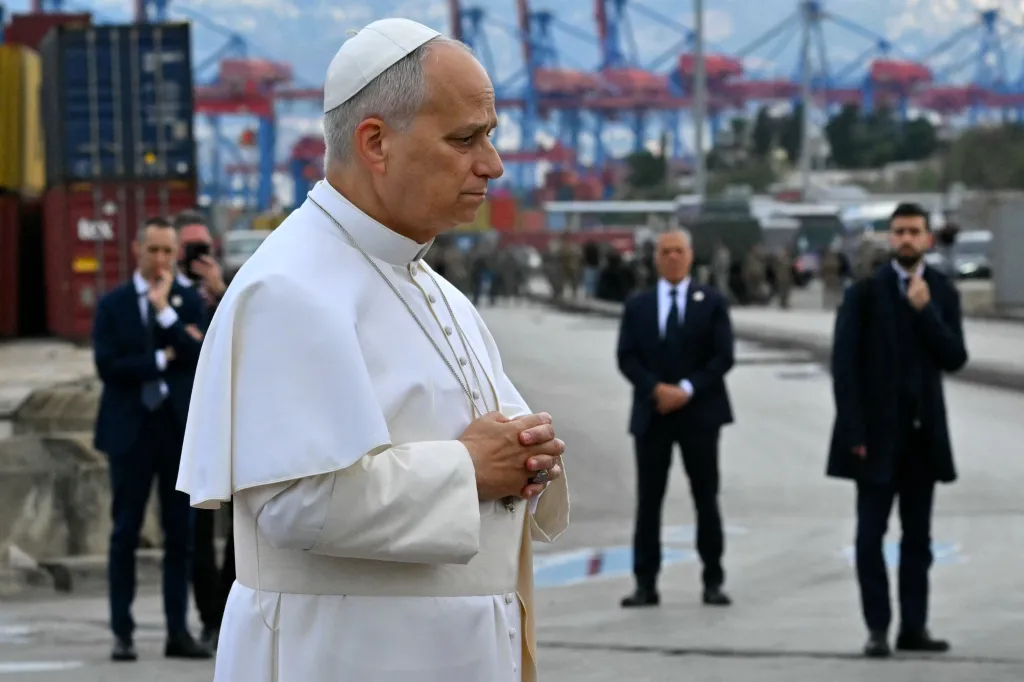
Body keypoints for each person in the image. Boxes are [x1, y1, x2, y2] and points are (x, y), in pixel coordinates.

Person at [175, 18, 570, 682]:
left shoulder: (441, 291)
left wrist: (528, 455)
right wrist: (470, 468)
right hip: (343, 654)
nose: (493, 165)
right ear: (376, 142)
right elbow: (295, 501)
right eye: (466, 139)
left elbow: (492, 457)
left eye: (491, 137)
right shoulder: (290, 288)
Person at [828, 202, 968, 658]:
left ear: (928, 238)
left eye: (915, 232)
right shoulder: (865, 294)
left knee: (918, 539)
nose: (906, 239)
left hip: (922, 438)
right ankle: (877, 628)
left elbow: (954, 358)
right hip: (875, 439)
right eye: (899, 231)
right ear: (891, 238)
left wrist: (926, 312)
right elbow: (844, 368)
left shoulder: (942, 291)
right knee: (869, 538)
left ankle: (914, 626)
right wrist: (854, 433)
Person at [91, 216, 211, 662]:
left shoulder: (186, 302)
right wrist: (163, 355)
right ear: (136, 250)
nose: (160, 260)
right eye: (152, 250)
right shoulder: (113, 305)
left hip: (176, 433)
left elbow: (200, 355)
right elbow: (109, 366)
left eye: (168, 251)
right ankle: (122, 632)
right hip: (129, 433)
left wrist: (165, 313)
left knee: (180, 536)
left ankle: (177, 631)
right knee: (124, 533)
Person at [616, 229, 735, 608]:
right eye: (665, 251)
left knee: (706, 497)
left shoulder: (712, 302)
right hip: (653, 415)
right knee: (649, 502)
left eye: (678, 251)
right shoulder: (638, 305)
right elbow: (627, 356)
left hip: (700, 414)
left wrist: (686, 388)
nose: (671, 257)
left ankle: (713, 579)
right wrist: (657, 390)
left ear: (690, 256)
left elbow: (723, 356)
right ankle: (645, 583)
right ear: (656, 259)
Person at [173, 212, 233, 650]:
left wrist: (220, 291)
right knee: (194, 534)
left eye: (201, 246)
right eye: (188, 247)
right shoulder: (166, 295)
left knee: (237, 531)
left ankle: (230, 614)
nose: (195, 254)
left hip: (228, 425)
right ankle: (208, 617)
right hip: (182, 428)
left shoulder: (230, 294)